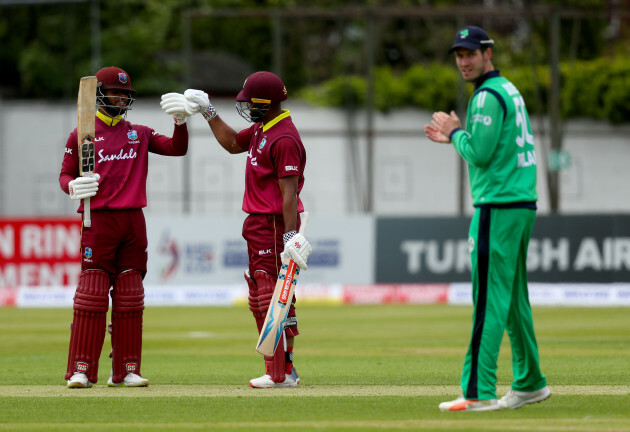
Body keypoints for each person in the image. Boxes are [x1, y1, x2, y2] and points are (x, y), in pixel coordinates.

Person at [424, 26, 550, 411]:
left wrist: (457, 132)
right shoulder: (509, 89)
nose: (464, 61)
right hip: (520, 203)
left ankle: (478, 391)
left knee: (488, 300)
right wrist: (461, 137)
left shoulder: (486, 96)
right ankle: (529, 382)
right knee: (512, 298)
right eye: (459, 55)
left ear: (488, 53)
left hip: (498, 205)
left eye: (470, 54)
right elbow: (488, 147)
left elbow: (478, 152)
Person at [161, 71, 312, 388]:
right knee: (267, 295)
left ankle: (279, 373)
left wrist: (289, 235)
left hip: (272, 224)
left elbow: (289, 193)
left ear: (267, 103)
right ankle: (285, 370)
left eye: (252, 103)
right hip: (258, 223)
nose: (247, 108)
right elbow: (231, 143)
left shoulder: (283, 138)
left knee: (271, 296)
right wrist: (208, 110)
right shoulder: (262, 129)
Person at [60, 66, 191, 388]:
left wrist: (181, 122)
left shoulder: (140, 133)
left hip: (133, 220)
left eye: (125, 94)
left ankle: (127, 369)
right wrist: (74, 186)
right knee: (92, 295)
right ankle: (81, 369)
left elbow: (177, 148)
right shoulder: (82, 134)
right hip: (98, 219)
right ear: (100, 95)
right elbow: (65, 175)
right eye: (115, 93)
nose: (120, 98)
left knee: (130, 295)